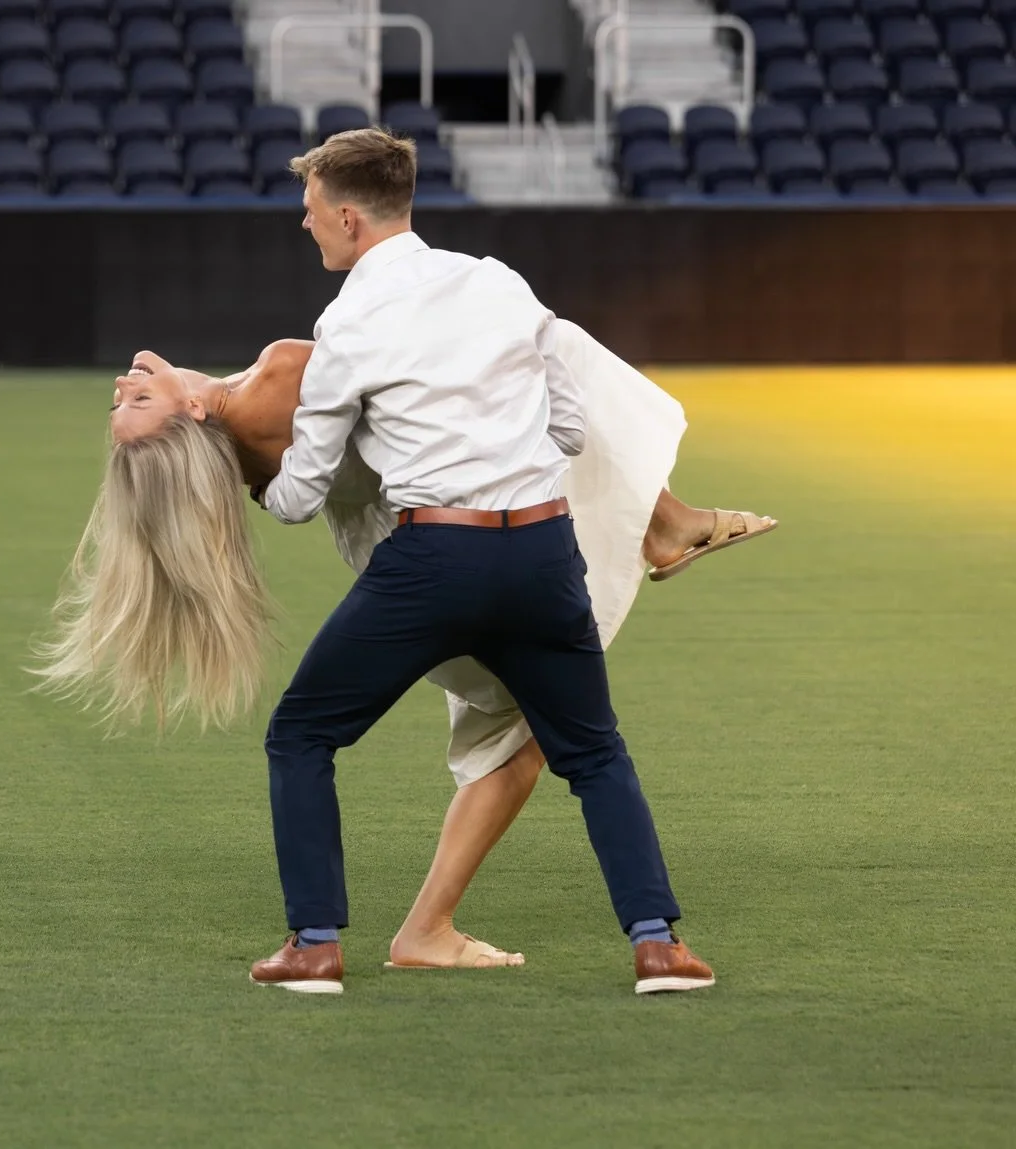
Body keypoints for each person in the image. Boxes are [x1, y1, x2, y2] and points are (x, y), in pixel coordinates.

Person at [53, 336, 771, 974]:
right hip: (463, 540)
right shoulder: (277, 374)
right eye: (139, 398)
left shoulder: (238, 460)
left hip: (398, 569)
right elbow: (429, 375)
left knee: (425, 735)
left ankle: (348, 939)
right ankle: (656, 941)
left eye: (126, 396)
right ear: (194, 416)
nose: (123, 383)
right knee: (538, 341)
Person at [235, 126, 721, 997]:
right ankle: (659, 946)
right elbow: (570, 421)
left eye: (309, 212)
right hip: (541, 553)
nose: (304, 226)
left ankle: (313, 946)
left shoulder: (346, 321)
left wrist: (243, 479)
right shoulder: (496, 280)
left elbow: (304, 492)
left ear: (348, 217)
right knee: (596, 753)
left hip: (431, 562)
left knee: (302, 733)